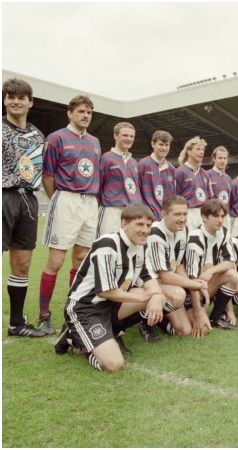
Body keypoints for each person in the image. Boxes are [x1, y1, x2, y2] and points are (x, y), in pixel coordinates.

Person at [53, 204, 166, 372]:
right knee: (113, 364)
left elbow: (148, 278)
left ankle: (111, 332)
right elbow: (105, 291)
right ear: (124, 223)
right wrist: (144, 298)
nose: (145, 230)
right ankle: (72, 336)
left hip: (111, 305)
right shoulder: (107, 244)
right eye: (139, 224)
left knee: (159, 296)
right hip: (86, 308)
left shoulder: (141, 246)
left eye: (148, 226)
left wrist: (156, 295)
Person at [40, 95, 102, 334]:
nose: (85, 116)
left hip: (89, 203)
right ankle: (44, 315)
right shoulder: (56, 138)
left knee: (80, 260)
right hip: (66, 198)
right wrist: (58, 199)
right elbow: (48, 175)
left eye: (89, 112)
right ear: (70, 113)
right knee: (56, 261)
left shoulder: (95, 142)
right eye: (81, 111)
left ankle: (72, 311)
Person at [2, 78, 47, 337]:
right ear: (5, 100)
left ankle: (16, 323)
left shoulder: (36, 134)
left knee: (22, 263)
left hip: (28, 199)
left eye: (21, 97)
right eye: (10, 96)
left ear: (30, 102)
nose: (16, 101)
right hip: (3, 195)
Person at [143, 195, 205, 340]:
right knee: (178, 294)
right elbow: (165, 275)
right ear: (164, 214)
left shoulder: (183, 230)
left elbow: (178, 266)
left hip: (165, 283)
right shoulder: (156, 233)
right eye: (177, 214)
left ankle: (158, 319)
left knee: (185, 330)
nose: (182, 218)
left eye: (185, 214)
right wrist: (196, 285)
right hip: (148, 283)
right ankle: (145, 322)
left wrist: (197, 304)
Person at [185, 199, 238, 330]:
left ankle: (216, 316)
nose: (220, 220)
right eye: (216, 216)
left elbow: (229, 262)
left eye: (222, 216)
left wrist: (210, 271)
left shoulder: (223, 233)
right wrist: (199, 313)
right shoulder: (195, 239)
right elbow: (192, 279)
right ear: (204, 217)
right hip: (194, 291)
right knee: (193, 329)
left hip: (211, 284)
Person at [97, 122, 142, 236]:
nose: (129, 139)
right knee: (108, 245)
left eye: (132, 136)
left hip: (132, 211)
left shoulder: (134, 162)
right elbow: (98, 186)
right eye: (125, 135)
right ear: (116, 136)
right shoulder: (106, 158)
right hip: (112, 210)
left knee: (130, 248)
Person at [175, 136, 212, 230]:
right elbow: (174, 197)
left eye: (203, 149)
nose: (201, 152)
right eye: (198, 149)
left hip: (203, 215)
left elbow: (209, 198)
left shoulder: (205, 174)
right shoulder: (180, 172)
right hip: (186, 213)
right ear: (188, 151)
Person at [138, 130, 176, 221]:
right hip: (146, 216)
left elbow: (172, 196)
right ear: (153, 144)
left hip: (165, 217)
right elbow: (137, 193)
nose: (164, 148)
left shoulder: (171, 169)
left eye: (167, 145)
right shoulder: (143, 164)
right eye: (161, 144)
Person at [207, 145, 232, 212]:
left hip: (226, 214)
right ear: (214, 159)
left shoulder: (228, 178)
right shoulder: (207, 175)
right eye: (220, 158)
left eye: (225, 158)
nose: (222, 161)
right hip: (212, 213)